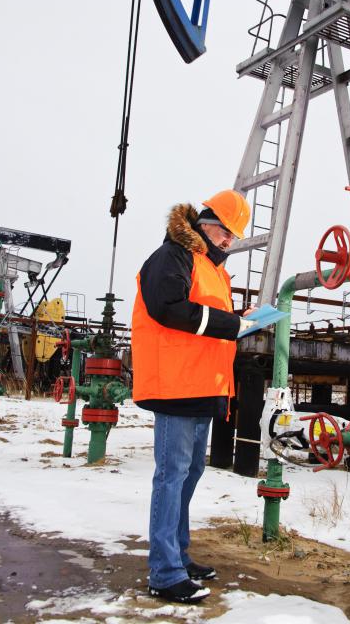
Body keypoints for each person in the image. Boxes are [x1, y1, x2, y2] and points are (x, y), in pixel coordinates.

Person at [131, 190, 255, 604]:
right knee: (171, 476)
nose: (228, 241)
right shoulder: (173, 256)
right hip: (176, 386)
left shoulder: (213, 269)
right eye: (225, 232)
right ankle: (164, 574)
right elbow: (167, 307)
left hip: (203, 386)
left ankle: (178, 556)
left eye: (234, 236)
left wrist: (241, 324)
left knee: (189, 474)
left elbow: (209, 321)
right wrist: (231, 324)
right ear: (205, 221)